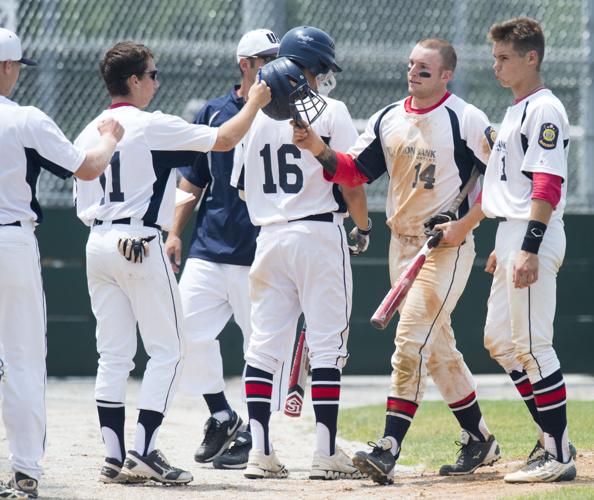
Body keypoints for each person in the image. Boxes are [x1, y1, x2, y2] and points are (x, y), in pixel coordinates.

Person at [292, 38, 501, 485]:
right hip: (401, 244)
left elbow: (499, 176)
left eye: (425, 68)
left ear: (446, 75)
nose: (414, 73)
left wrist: (465, 224)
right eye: (410, 65)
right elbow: (354, 171)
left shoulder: (464, 118)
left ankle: (388, 446)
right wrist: (317, 148)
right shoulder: (389, 117)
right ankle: (479, 438)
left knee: (409, 342)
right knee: (437, 349)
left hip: (444, 246)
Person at [73, 41, 270, 485]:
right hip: (138, 240)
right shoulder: (149, 123)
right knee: (170, 350)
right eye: (152, 74)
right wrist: (255, 100)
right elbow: (225, 138)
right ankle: (143, 451)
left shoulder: (91, 129)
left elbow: (82, 189)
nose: (157, 83)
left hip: (98, 240)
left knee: (113, 355)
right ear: (134, 81)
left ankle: (113, 455)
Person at [230, 26, 370, 481]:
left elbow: (244, 190)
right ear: (311, 68)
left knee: (264, 347)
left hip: (269, 237)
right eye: (321, 69)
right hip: (319, 235)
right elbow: (351, 178)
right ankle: (325, 452)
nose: (324, 77)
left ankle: (260, 452)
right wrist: (364, 227)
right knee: (328, 344)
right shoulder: (333, 110)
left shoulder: (252, 117)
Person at [0, 28, 123, 499]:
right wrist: (109, 137)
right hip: (11, 242)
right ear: (10, 67)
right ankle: (25, 471)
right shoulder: (25, 118)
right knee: (23, 359)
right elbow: (87, 167)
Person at [164, 28, 289, 470]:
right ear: (244, 64)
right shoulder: (215, 112)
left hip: (265, 251)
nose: (274, 65)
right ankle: (221, 414)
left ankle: (256, 441)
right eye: (265, 58)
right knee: (183, 333)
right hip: (210, 248)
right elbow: (192, 180)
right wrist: (175, 231)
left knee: (263, 350)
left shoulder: (291, 111)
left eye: (279, 56)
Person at [479, 18, 575, 483]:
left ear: (530, 58)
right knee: (500, 340)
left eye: (504, 58)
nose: (495, 66)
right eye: (495, 57)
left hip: (532, 233)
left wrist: (528, 247)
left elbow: (547, 183)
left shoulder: (545, 109)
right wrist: (506, 244)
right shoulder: (518, 108)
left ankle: (557, 455)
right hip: (512, 232)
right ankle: (552, 437)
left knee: (535, 347)